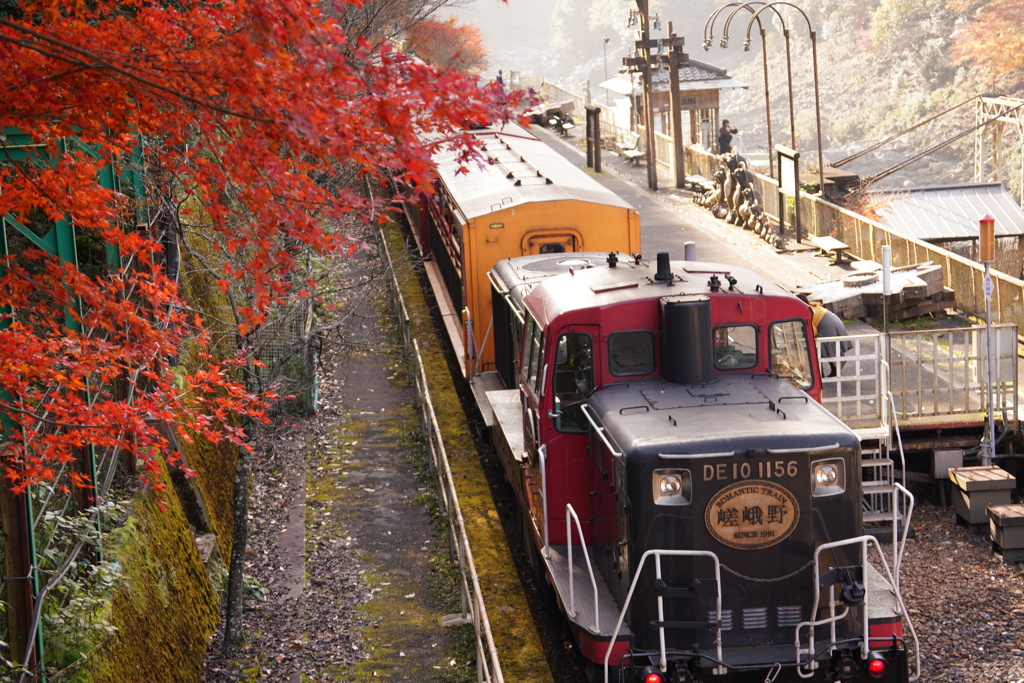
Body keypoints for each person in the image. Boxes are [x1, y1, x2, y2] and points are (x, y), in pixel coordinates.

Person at [798, 293, 852, 377]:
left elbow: (813, 331)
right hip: (833, 321)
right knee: (827, 348)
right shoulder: (811, 306)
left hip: (828, 325)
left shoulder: (805, 311)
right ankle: (832, 370)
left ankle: (820, 374)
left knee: (819, 348)